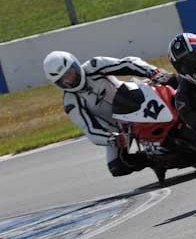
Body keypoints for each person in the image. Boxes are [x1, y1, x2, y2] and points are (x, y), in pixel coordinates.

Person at [43, 51, 177, 177]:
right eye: (63, 80)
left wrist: (152, 71)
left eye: (70, 73)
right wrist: (112, 138)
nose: (69, 80)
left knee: (172, 83)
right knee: (117, 167)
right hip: (119, 128)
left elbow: (127, 63)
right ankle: (155, 161)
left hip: (136, 99)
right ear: (58, 84)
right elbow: (89, 130)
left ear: (75, 65)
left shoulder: (94, 66)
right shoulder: (71, 101)